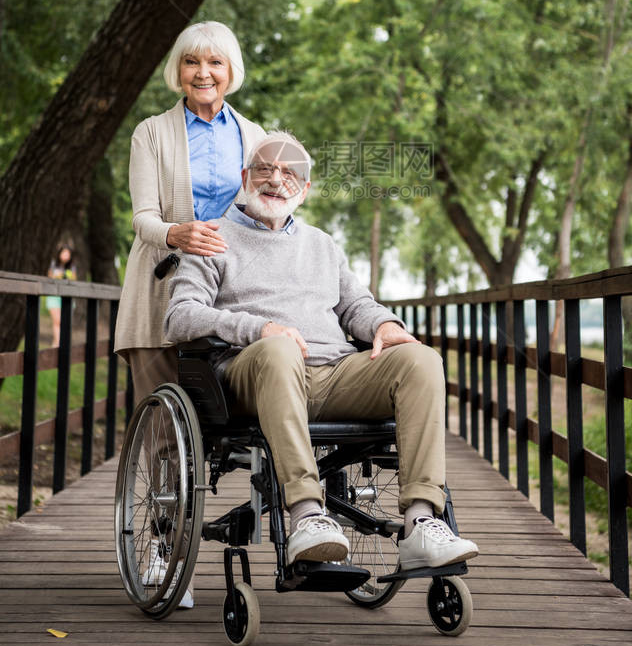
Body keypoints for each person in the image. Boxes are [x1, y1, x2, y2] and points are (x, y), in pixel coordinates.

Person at [164, 131, 479, 572]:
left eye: (290, 172)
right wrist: (258, 328)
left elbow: (356, 305)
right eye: (264, 169)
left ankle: (420, 523)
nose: (276, 179)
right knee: (278, 349)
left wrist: (386, 324)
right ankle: (308, 514)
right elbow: (179, 316)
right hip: (254, 374)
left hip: (334, 373)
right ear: (244, 176)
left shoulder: (322, 245)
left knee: (421, 359)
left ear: (305, 189)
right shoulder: (214, 238)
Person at [114, 21, 265, 407]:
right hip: (161, 283)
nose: (203, 72)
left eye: (215, 61)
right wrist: (175, 233)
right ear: (177, 70)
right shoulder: (150, 133)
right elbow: (143, 218)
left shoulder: (255, 137)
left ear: (231, 70)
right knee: (163, 421)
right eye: (191, 62)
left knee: (235, 415)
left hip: (233, 290)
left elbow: (266, 215)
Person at [46, 244, 76, 347]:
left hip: (67, 296)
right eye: (64, 253)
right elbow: (49, 277)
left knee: (66, 322)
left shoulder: (72, 267)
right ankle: (57, 343)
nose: (66, 255)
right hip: (54, 296)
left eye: (68, 253)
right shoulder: (53, 264)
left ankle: (61, 343)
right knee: (57, 321)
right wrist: (57, 276)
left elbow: (74, 280)